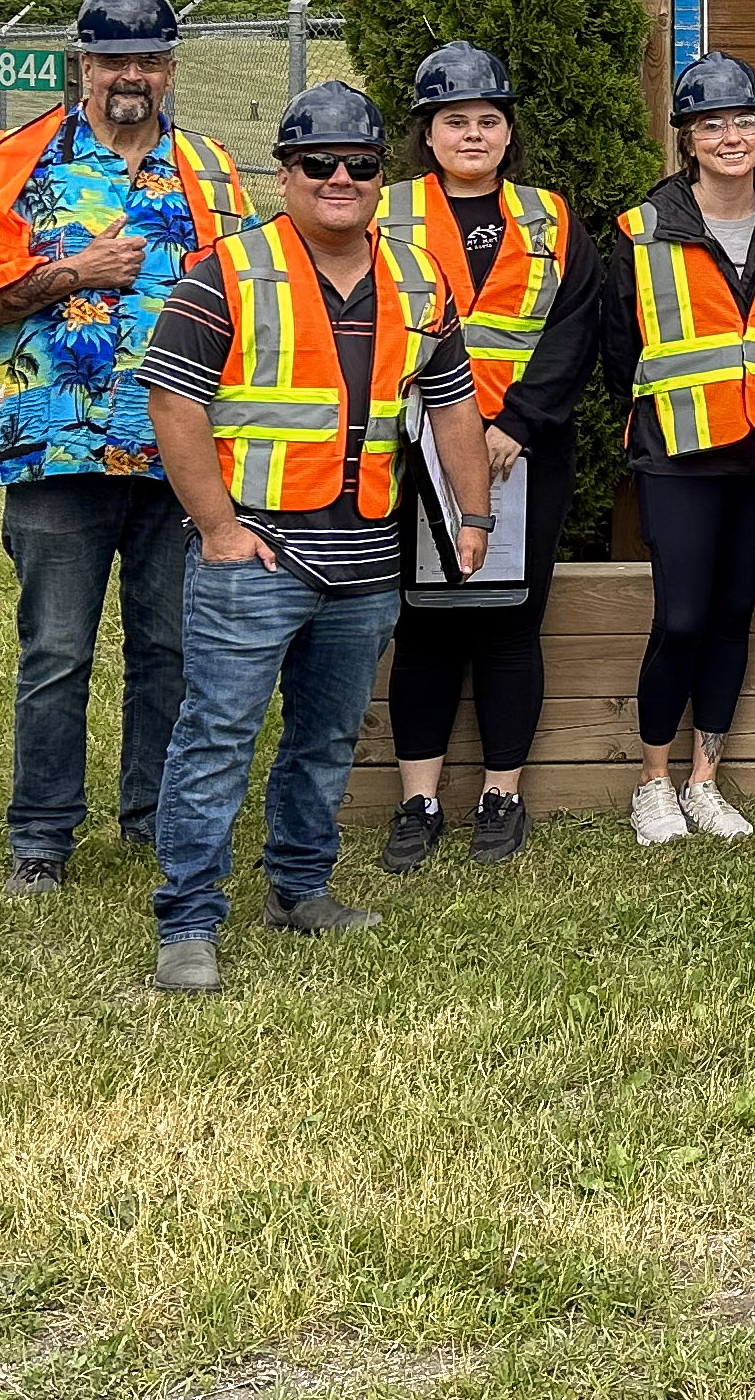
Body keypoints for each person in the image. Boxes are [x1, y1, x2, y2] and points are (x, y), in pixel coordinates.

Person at [137, 82, 491, 992]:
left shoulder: (417, 276)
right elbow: (174, 402)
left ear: (382, 175)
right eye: (318, 163)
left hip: (367, 556)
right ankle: (188, 920)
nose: (340, 178)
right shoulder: (227, 270)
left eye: (360, 164)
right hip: (253, 556)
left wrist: (475, 513)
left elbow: (452, 403)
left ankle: (299, 888)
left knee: (328, 737)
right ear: (286, 174)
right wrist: (216, 528)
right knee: (217, 734)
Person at [0, 0, 251, 893]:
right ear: (81, 64)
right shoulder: (18, 163)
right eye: (113, 59)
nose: (131, 76)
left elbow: (243, 303)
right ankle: (41, 835)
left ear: (170, 69)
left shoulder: (212, 171)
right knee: (56, 650)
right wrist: (68, 271)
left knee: (168, 647)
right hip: (54, 449)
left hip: (173, 453)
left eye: (149, 60)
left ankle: (152, 818)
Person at [370, 42, 601, 873]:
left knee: (511, 623)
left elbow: (576, 327)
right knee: (423, 625)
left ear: (509, 134)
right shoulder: (381, 208)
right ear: (426, 134)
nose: (473, 134)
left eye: (488, 120)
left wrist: (520, 423)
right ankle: (418, 800)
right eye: (454, 121)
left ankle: (503, 792)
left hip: (522, 453)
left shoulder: (550, 215)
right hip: (407, 452)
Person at [595, 53, 755, 846]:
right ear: (687, 140)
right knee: (681, 618)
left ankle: (704, 781)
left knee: (732, 614)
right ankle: (652, 783)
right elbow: (622, 352)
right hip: (679, 453)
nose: (729, 137)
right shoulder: (642, 229)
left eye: (741, 121)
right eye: (710, 124)